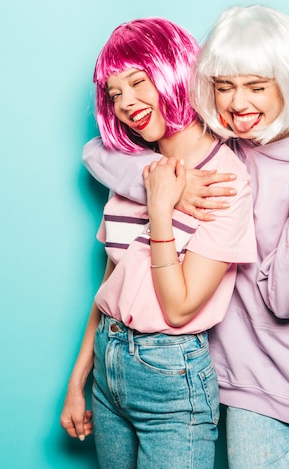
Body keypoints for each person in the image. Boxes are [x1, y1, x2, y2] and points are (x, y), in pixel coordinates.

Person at [82, 6, 289, 468]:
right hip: (245, 380)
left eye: (257, 87)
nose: (239, 104)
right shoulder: (222, 143)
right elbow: (100, 151)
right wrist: (162, 180)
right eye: (224, 87)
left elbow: (285, 298)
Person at [59, 18, 256, 469]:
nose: (126, 103)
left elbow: (181, 307)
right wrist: (78, 380)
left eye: (137, 81)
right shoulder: (138, 168)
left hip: (171, 375)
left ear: (171, 69)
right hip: (109, 365)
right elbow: (114, 281)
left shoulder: (224, 180)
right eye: (114, 94)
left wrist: (162, 208)